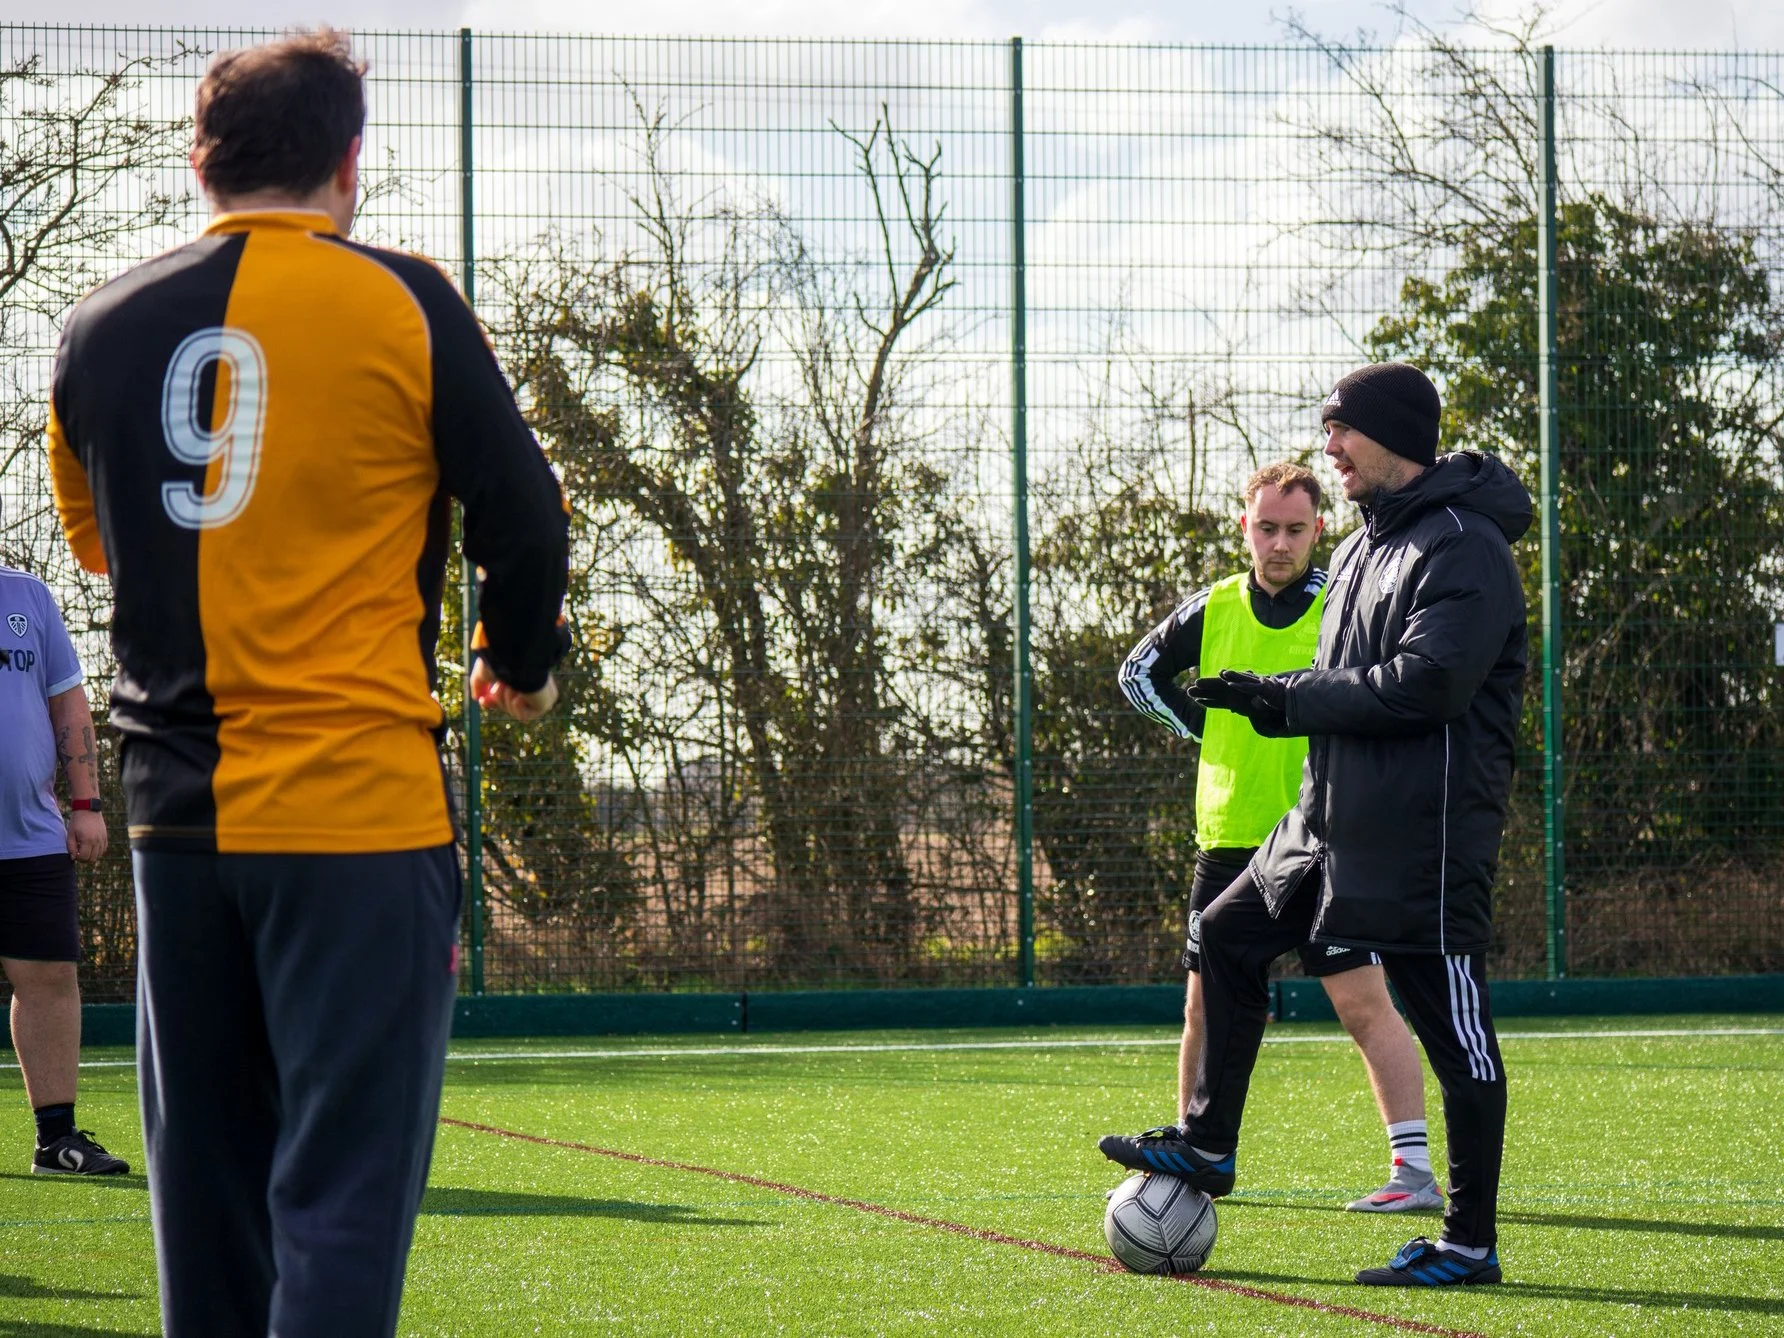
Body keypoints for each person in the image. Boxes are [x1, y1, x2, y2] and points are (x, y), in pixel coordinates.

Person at [47, 30, 569, 1337]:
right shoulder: (404, 301)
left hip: (179, 821)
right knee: (339, 1200)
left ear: (200, 162)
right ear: (349, 162)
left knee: (205, 1207)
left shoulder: (94, 328)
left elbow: (101, 545)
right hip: (356, 817)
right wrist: (516, 660)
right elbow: (525, 513)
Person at [1146, 363, 1529, 1287]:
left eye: (1341, 430)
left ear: (1392, 435)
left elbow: (1426, 687)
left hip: (1423, 840)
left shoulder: (1467, 546)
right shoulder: (1360, 548)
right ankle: (1208, 1145)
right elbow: (1340, 681)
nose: (1330, 448)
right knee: (1226, 935)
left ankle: (1468, 1245)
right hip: (1324, 823)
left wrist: (1287, 699)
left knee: (1457, 1041)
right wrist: (1276, 698)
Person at [1105, 461, 1440, 1213]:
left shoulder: (1344, 603)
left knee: (1361, 1002)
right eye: (1266, 528)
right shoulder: (1215, 606)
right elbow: (1136, 674)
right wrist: (1206, 732)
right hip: (1228, 836)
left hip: (1324, 835)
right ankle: (1193, 1152)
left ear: (1319, 529)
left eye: (1294, 529)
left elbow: (1385, 695)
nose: (1279, 543)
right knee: (1203, 1005)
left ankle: (1413, 1173)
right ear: (1245, 527)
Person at [0, 562, 127, 1176]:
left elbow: (70, 706)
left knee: (50, 979)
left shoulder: (29, 595)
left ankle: (56, 1141)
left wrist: (86, 806)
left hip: (30, 838)